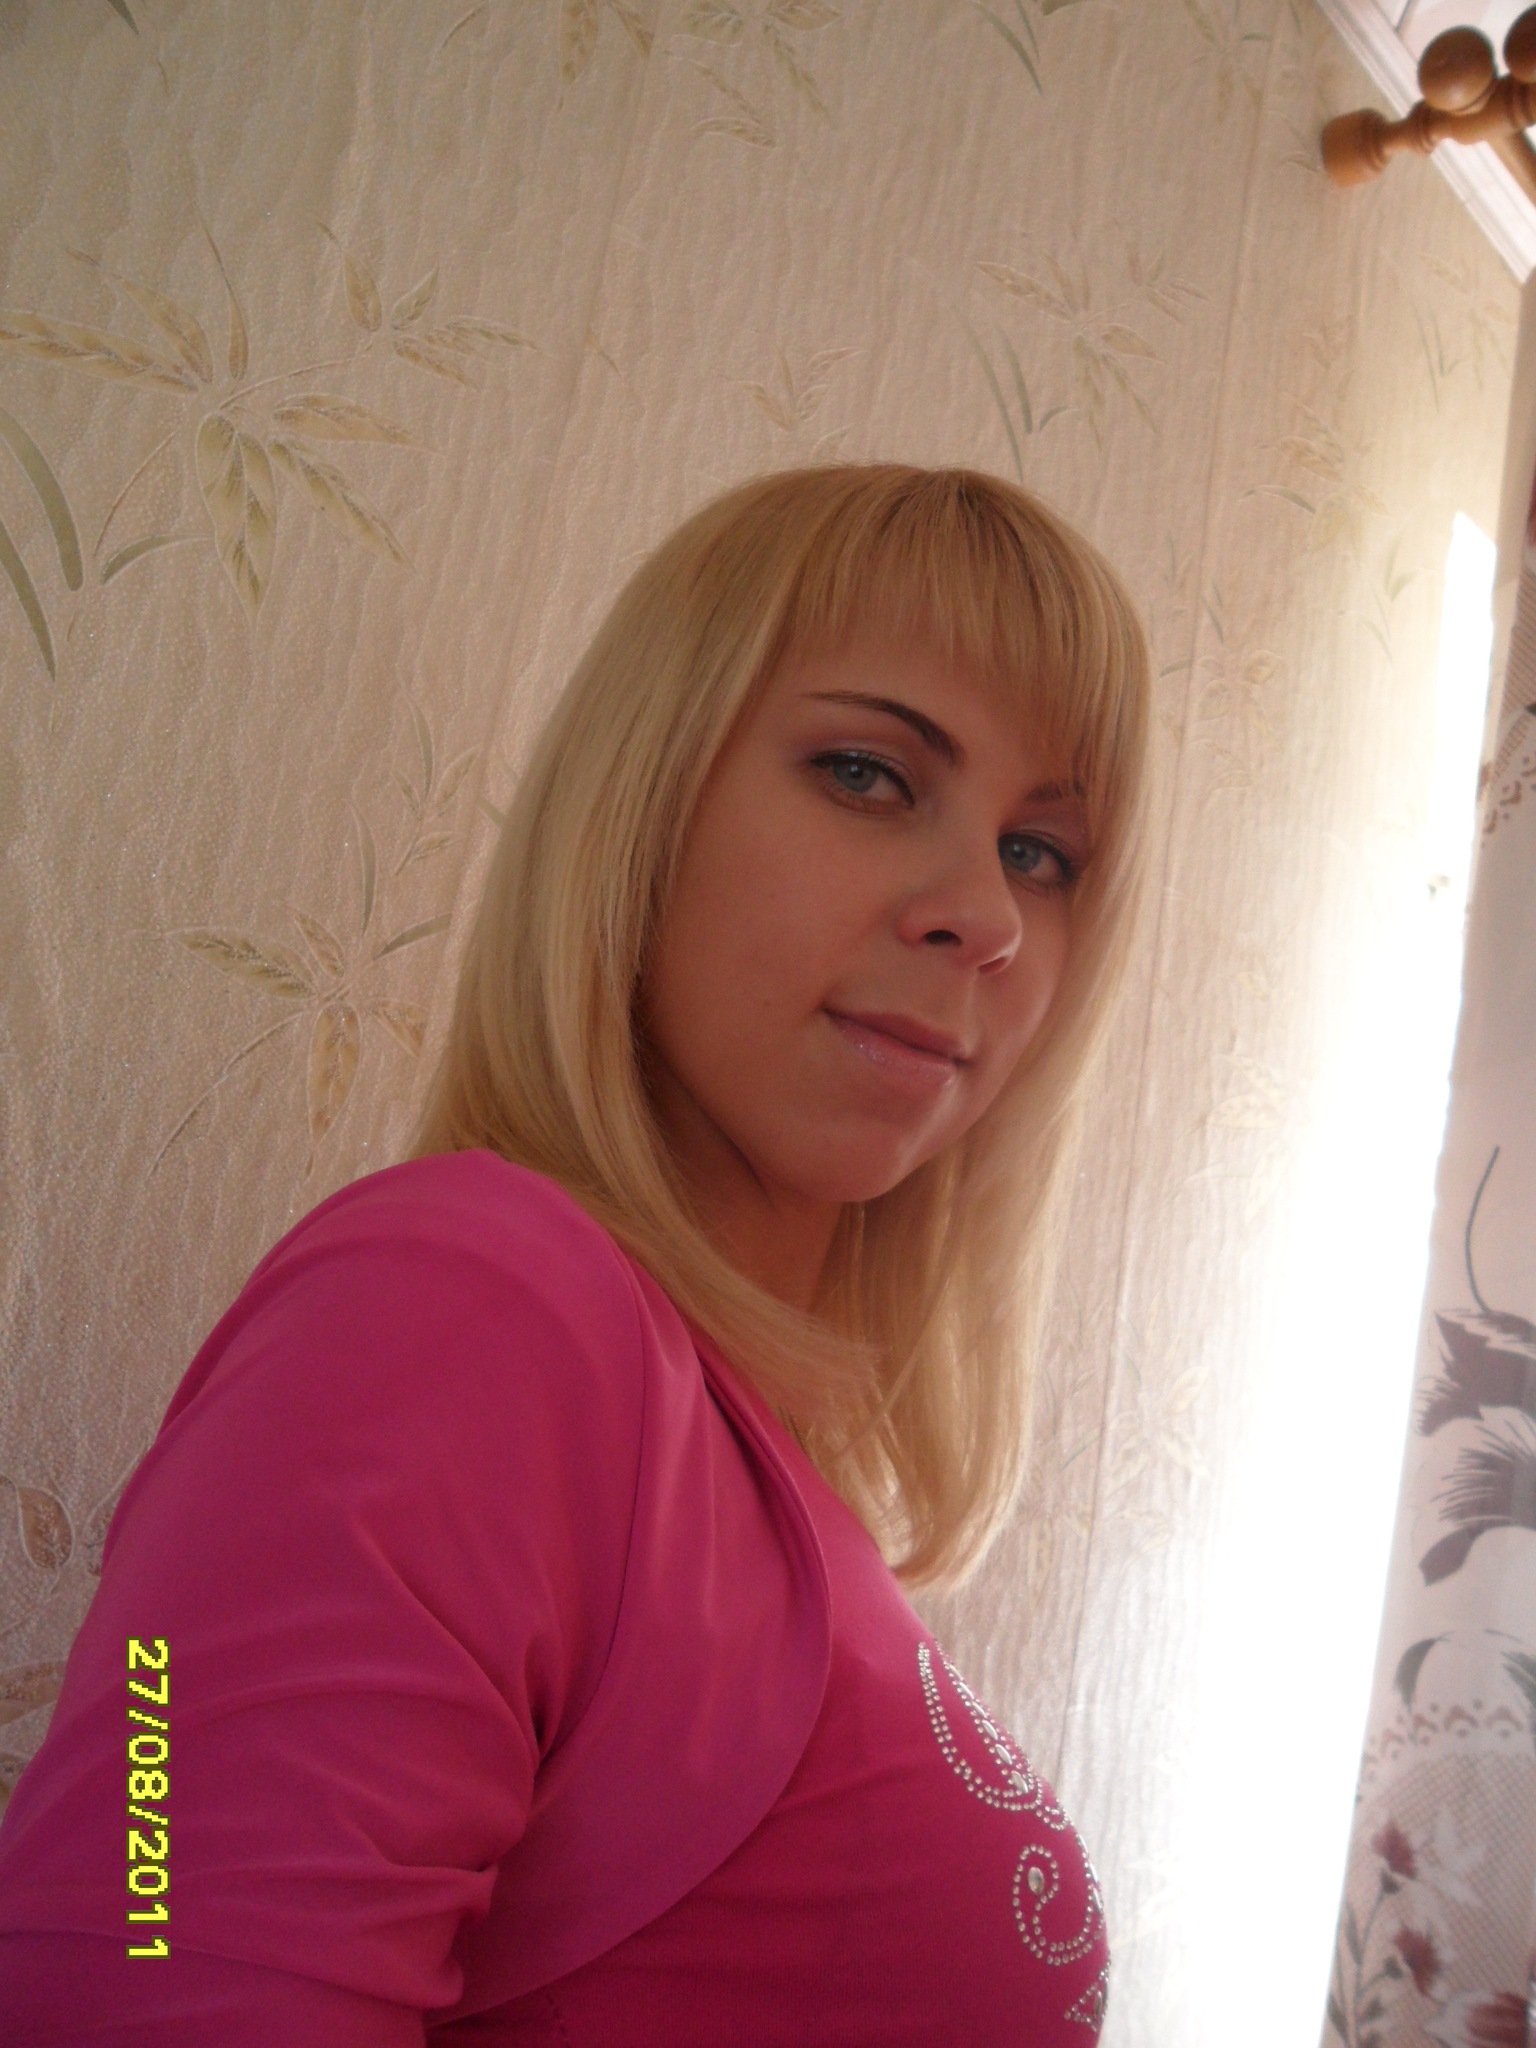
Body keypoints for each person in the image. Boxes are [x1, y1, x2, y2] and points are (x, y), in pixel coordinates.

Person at [0, 462, 1150, 2044]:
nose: (987, 914)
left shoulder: (754, 1469)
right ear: (644, 800)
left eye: (1044, 853)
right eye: (870, 775)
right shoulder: (463, 1304)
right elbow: (141, 1950)